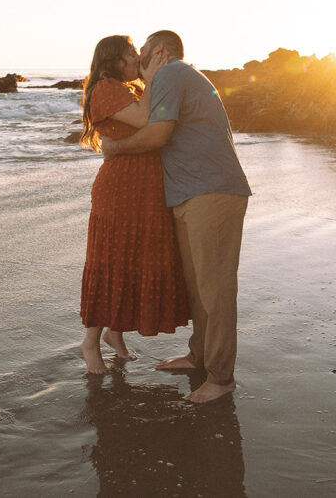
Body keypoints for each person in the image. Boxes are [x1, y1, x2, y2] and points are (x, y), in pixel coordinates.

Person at [101, 30, 251, 403]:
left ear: (160, 52)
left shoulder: (170, 74)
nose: (137, 62)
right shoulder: (176, 78)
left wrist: (114, 149)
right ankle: (199, 356)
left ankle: (220, 378)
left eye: (142, 53)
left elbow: (158, 135)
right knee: (199, 286)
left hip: (211, 192)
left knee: (215, 289)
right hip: (191, 193)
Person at [79, 35, 190, 374]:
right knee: (114, 260)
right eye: (132, 55)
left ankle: (116, 335)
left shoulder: (128, 88)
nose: (137, 60)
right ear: (113, 60)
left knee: (132, 258)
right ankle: (90, 342)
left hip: (144, 186)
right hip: (122, 187)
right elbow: (147, 120)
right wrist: (154, 75)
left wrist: (151, 75)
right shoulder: (107, 88)